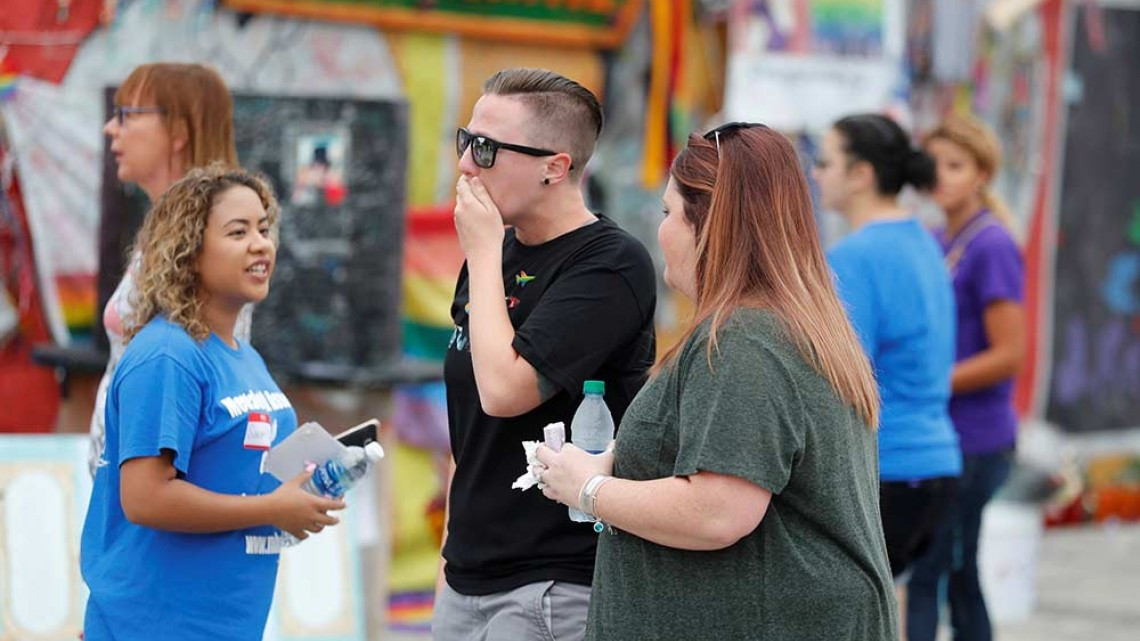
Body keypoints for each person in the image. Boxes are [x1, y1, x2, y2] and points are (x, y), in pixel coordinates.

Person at [536, 123, 897, 640]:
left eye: (669, 213)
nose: (660, 230)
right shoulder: (783, 325)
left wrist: (589, 489)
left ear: (709, 227)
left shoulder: (744, 338)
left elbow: (718, 512)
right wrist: (612, 466)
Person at [433, 68, 657, 641]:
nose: (467, 165)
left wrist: (484, 254)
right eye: (466, 141)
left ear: (554, 168)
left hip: (553, 585)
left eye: (487, 149)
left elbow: (504, 392)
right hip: (466, 577)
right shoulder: (494, 252)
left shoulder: (610, 264)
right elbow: (471, 432)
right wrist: (448, 563)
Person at [80, 165, 343, 641]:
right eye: (238, 232)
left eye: (264, 229)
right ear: (189, 251)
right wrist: (269, 508)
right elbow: (145, 497)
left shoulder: (243, 356)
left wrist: (303, 492)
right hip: (155, 625)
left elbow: (239, 476)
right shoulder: (168, 355)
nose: (261, 245)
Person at [813, 113, 961, 582]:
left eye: (825, 163)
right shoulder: (925, 242)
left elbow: (839, 381)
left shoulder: (854, 257)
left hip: (887, 469)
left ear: (861, 175)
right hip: (936, 465)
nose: (815, 174)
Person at [89, 62, 241, 476]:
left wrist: (156, 485)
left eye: (126, 115)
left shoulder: (208, 237)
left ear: (179, 131)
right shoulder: (165, 230)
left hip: (160, 486)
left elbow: (198, 367)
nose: (110, 129)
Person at [907, 113, 1025, 641]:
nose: (941, 176)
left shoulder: (991, 244)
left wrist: (929, 384)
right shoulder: (937, 237)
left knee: (936, 569)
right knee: (952, 572)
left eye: (955, 165)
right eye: (933, 164)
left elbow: (1009, 354)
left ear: (982, 173)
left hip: (976, 438)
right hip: (941, 430)